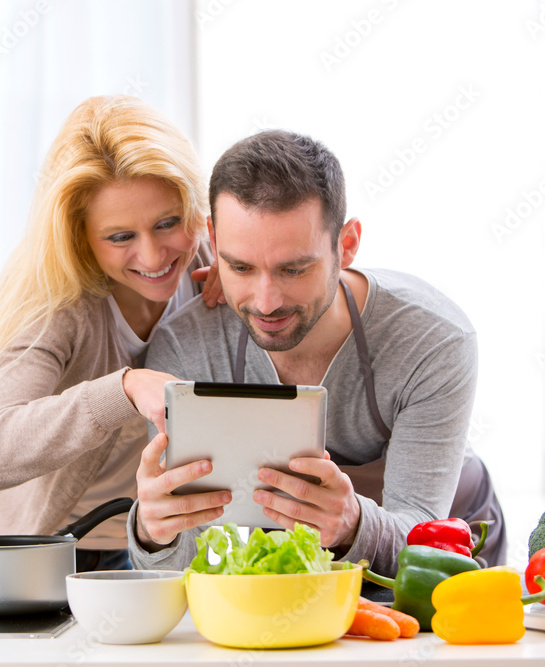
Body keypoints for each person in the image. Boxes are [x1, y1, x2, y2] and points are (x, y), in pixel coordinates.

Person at [127, 130, 506, 579]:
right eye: (241, 267)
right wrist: (154, 532)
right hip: (296, 569)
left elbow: (420, 530)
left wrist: (351, 523)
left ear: (345, 246)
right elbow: (187, 566)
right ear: (213, 237)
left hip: (448, 548)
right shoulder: (186, 345)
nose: (265, 302)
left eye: (293, 269)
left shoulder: (432, 338)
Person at [0, 95, 220, 572]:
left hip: (145, 547)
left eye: (168, 223)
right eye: (120, 237)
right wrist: (122, 389)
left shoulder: (209, 263)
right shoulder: (59, 311)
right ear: (79, 236)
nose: (153, 257)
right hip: (16, 558)